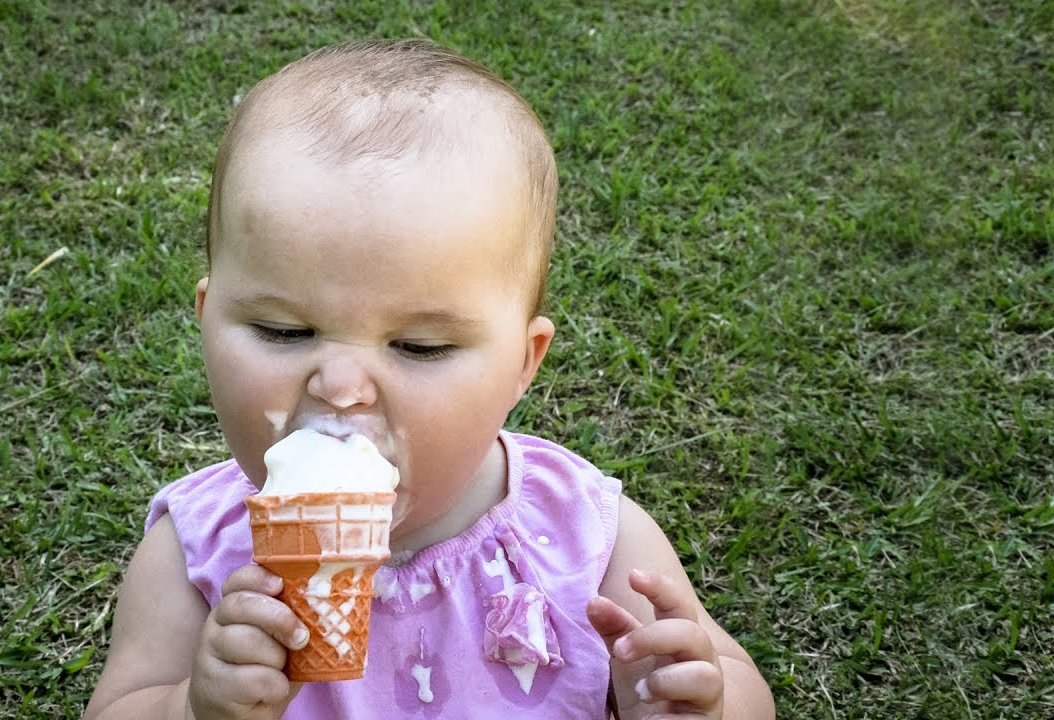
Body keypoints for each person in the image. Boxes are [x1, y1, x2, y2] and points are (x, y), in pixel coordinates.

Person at [83, 39, 774, 720]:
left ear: (523, 363)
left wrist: (696, 702)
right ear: (206, 322)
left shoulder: (587, 539)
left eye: (420, 346)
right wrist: (192, 708)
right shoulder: (195, 554)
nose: (341, 385)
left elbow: (740, 687)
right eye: (283, 331)